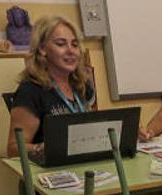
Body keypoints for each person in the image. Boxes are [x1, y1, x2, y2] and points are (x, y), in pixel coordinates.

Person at [6, 16, 95, 157]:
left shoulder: (81, 85)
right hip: (50, 173)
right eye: (61, 44)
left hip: (82, 166)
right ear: (42, 49)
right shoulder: (31, 91)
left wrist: (127, 133)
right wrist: (47, 147)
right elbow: (13, 149)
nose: (70, 51)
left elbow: (94, 130)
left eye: (75, 44)